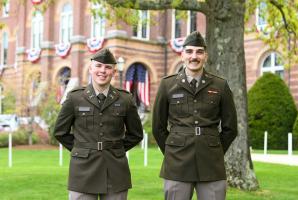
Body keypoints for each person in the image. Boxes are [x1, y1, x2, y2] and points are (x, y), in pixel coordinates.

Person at [152, 31, 238, 200]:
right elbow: (158, 127)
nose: (194, 56)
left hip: (211, 163)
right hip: (177, 163)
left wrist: (214, 149)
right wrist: (172, 150)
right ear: (182, 54)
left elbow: (230, 128)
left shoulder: (220, 85)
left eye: (199, 52)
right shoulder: (167, 85)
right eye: (190, 51)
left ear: (205, 56)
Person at [53, 48, 143, 200]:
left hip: (115, 169)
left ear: (114, 71)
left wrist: (115, 148)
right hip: (83, 170)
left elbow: (136, 134)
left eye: (108, 67)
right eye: (99, 66)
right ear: (91, 69)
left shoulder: (125, 99)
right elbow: (60, 132)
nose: (103, 71)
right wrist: (82, 149)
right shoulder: (75, 98)